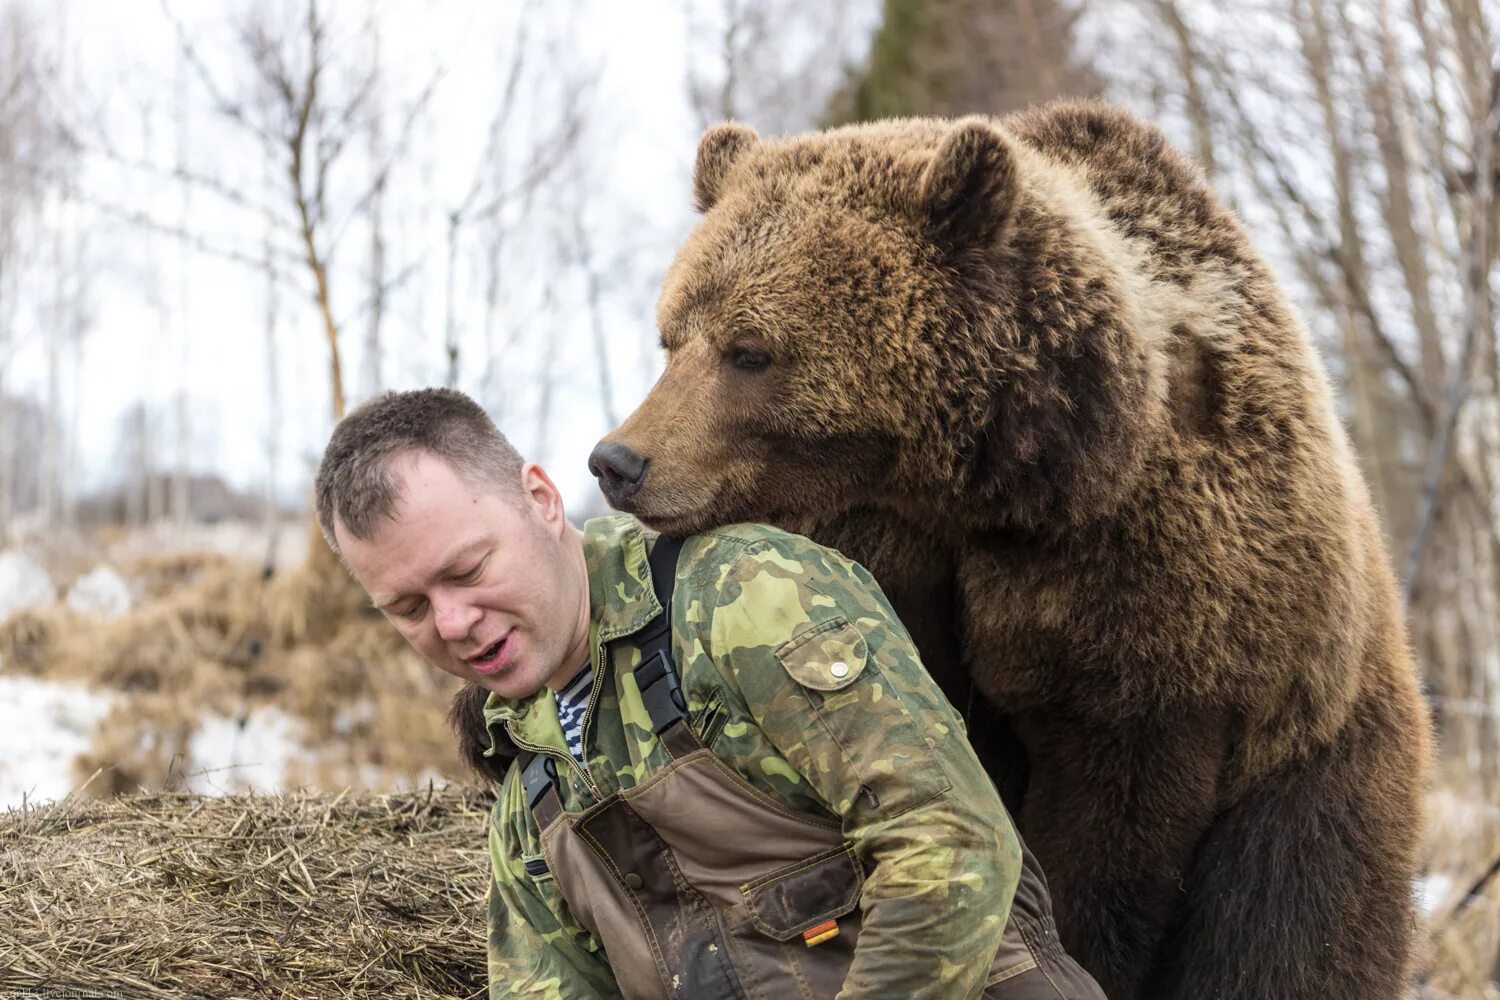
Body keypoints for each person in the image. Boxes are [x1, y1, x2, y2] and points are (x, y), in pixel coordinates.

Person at [314, 387, 1104, 1000]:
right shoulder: (531, 797)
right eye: (409, 607)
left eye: (467, 570)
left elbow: (951, 841)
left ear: (542, 500)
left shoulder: (742, 600)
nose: (452, 622)